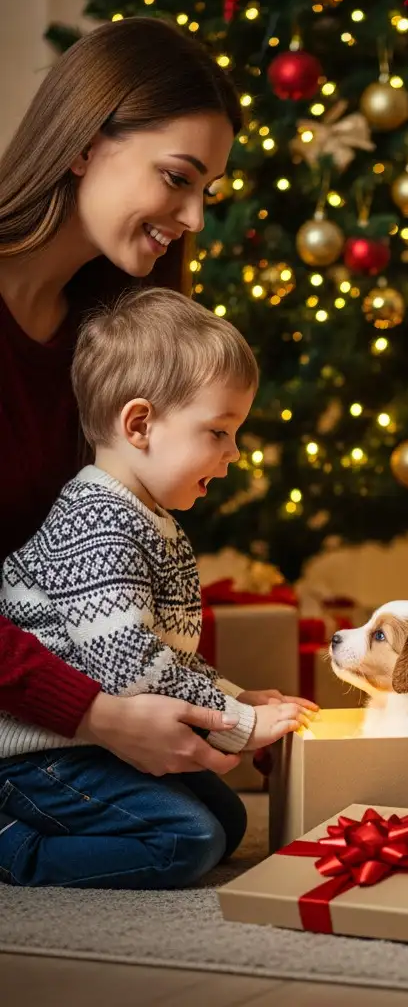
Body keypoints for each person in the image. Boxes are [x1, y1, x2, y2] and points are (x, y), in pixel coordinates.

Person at [0, 17, 254, 781]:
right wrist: (96, 717)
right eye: (177, 178)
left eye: (207, 191)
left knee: (207, 816)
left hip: (48, 722)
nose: (195, 219)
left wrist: (218, 706)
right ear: (83, 144)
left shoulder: (114, 333)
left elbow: (120, 565)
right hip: (34, 726)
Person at [0, 288, 315, 887]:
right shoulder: (95, 521)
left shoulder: (149, 517)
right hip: (33, 752)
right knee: (187, 840)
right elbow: (130, 668)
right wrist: (238, 722)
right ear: (140, 424)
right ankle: (14, 847)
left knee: (227, 820)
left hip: (90, 741)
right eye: (218, 431)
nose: (234, 453)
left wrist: (237, 696)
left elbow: (170, 657)